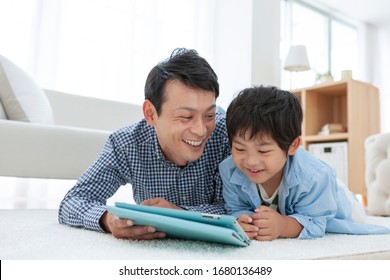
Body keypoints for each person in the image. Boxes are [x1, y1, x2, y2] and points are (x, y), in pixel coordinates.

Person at [59, 48, 231, 240]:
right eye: (186, 117)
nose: (201, 130)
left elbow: (238, 208)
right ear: (150, 114)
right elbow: (72, 201)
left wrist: (181, 212)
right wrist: (107, 219)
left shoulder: (227, 136)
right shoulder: (126, 143)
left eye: (209, 115)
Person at [219, 85, 390, 241]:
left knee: (352, 211)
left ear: (293, 145)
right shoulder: (230, 170)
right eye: (240, 149)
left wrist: (283, 225)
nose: (251, 161)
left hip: (337, 200)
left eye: (263, 151)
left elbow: (317, 223)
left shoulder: (315, 176)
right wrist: (243, 221)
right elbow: (236, 207)